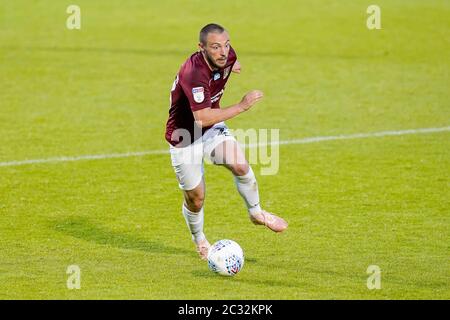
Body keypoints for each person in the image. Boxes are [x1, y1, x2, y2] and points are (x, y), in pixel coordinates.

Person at [165, 23, 288, 260]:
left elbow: (229, 63)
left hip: (211, 129)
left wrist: (232, 66)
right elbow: (201, 118)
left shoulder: (227, 56)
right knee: (196, 198)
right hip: (185, 137)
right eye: (215, 47)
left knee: (240, 164)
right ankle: (199, 239)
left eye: (226, 45)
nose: (223, 52)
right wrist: (242, 106)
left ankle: (256, 213)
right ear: (201, 48)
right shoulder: (193, 73)